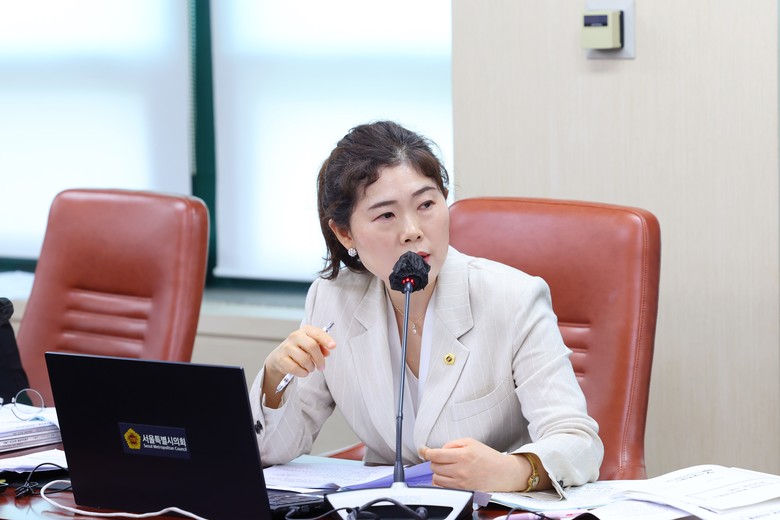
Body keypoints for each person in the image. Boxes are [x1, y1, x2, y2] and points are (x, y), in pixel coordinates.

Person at [250, 121, 603, 493]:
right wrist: (275, 379)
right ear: (344, 233)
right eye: (386, 215)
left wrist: (513, 471)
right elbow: (272, 451)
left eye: (427, 205)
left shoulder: (513, 298)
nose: (412, 230)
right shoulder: (333, 299)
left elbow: (578, 442)